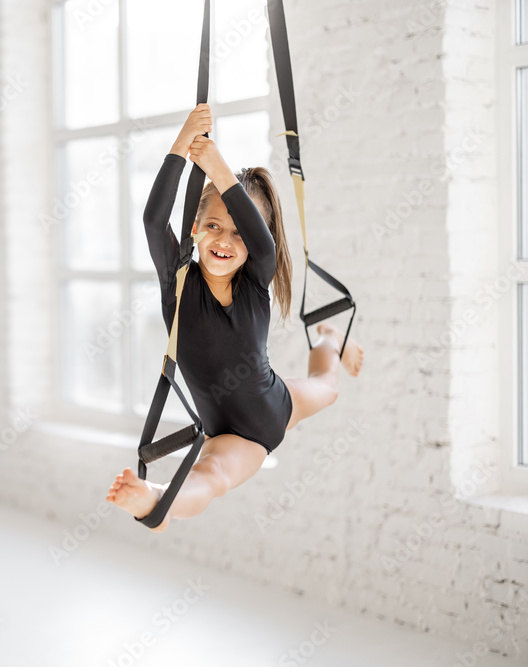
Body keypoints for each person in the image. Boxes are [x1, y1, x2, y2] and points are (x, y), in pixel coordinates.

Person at [107, 104, 364, 532]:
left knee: (329, 387)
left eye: (238, 232)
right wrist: (182, 140)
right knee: (211, 478)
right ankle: (156, 499)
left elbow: (264, 245)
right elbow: (154, 219)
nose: (225, 240)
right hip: (234, 436)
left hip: (274, 405)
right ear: (194, 227)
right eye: (213, 226)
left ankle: (330, 338)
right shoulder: (178, 279)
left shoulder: (255, 284)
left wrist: (217, 166)